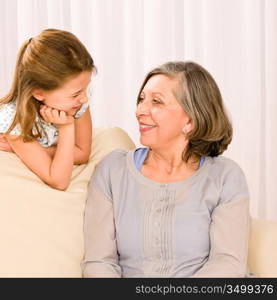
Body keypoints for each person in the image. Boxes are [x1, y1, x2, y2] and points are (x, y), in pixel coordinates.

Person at [82, 61, 250, 278]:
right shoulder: (112, 170)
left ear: (190, 120)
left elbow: (228, 264)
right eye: (141, 99)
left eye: (156, 102)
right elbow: (98, 262)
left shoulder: (225, 177)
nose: (140, 110)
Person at [0, 28, 96, 190]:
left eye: (86, 88)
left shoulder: (78, 101)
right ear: (39, 93)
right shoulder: (14, 120)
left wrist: (40, 150)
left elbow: (83, 153)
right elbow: (59, 181)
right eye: (75, 94)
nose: (84, 98)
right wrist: (66, 128)